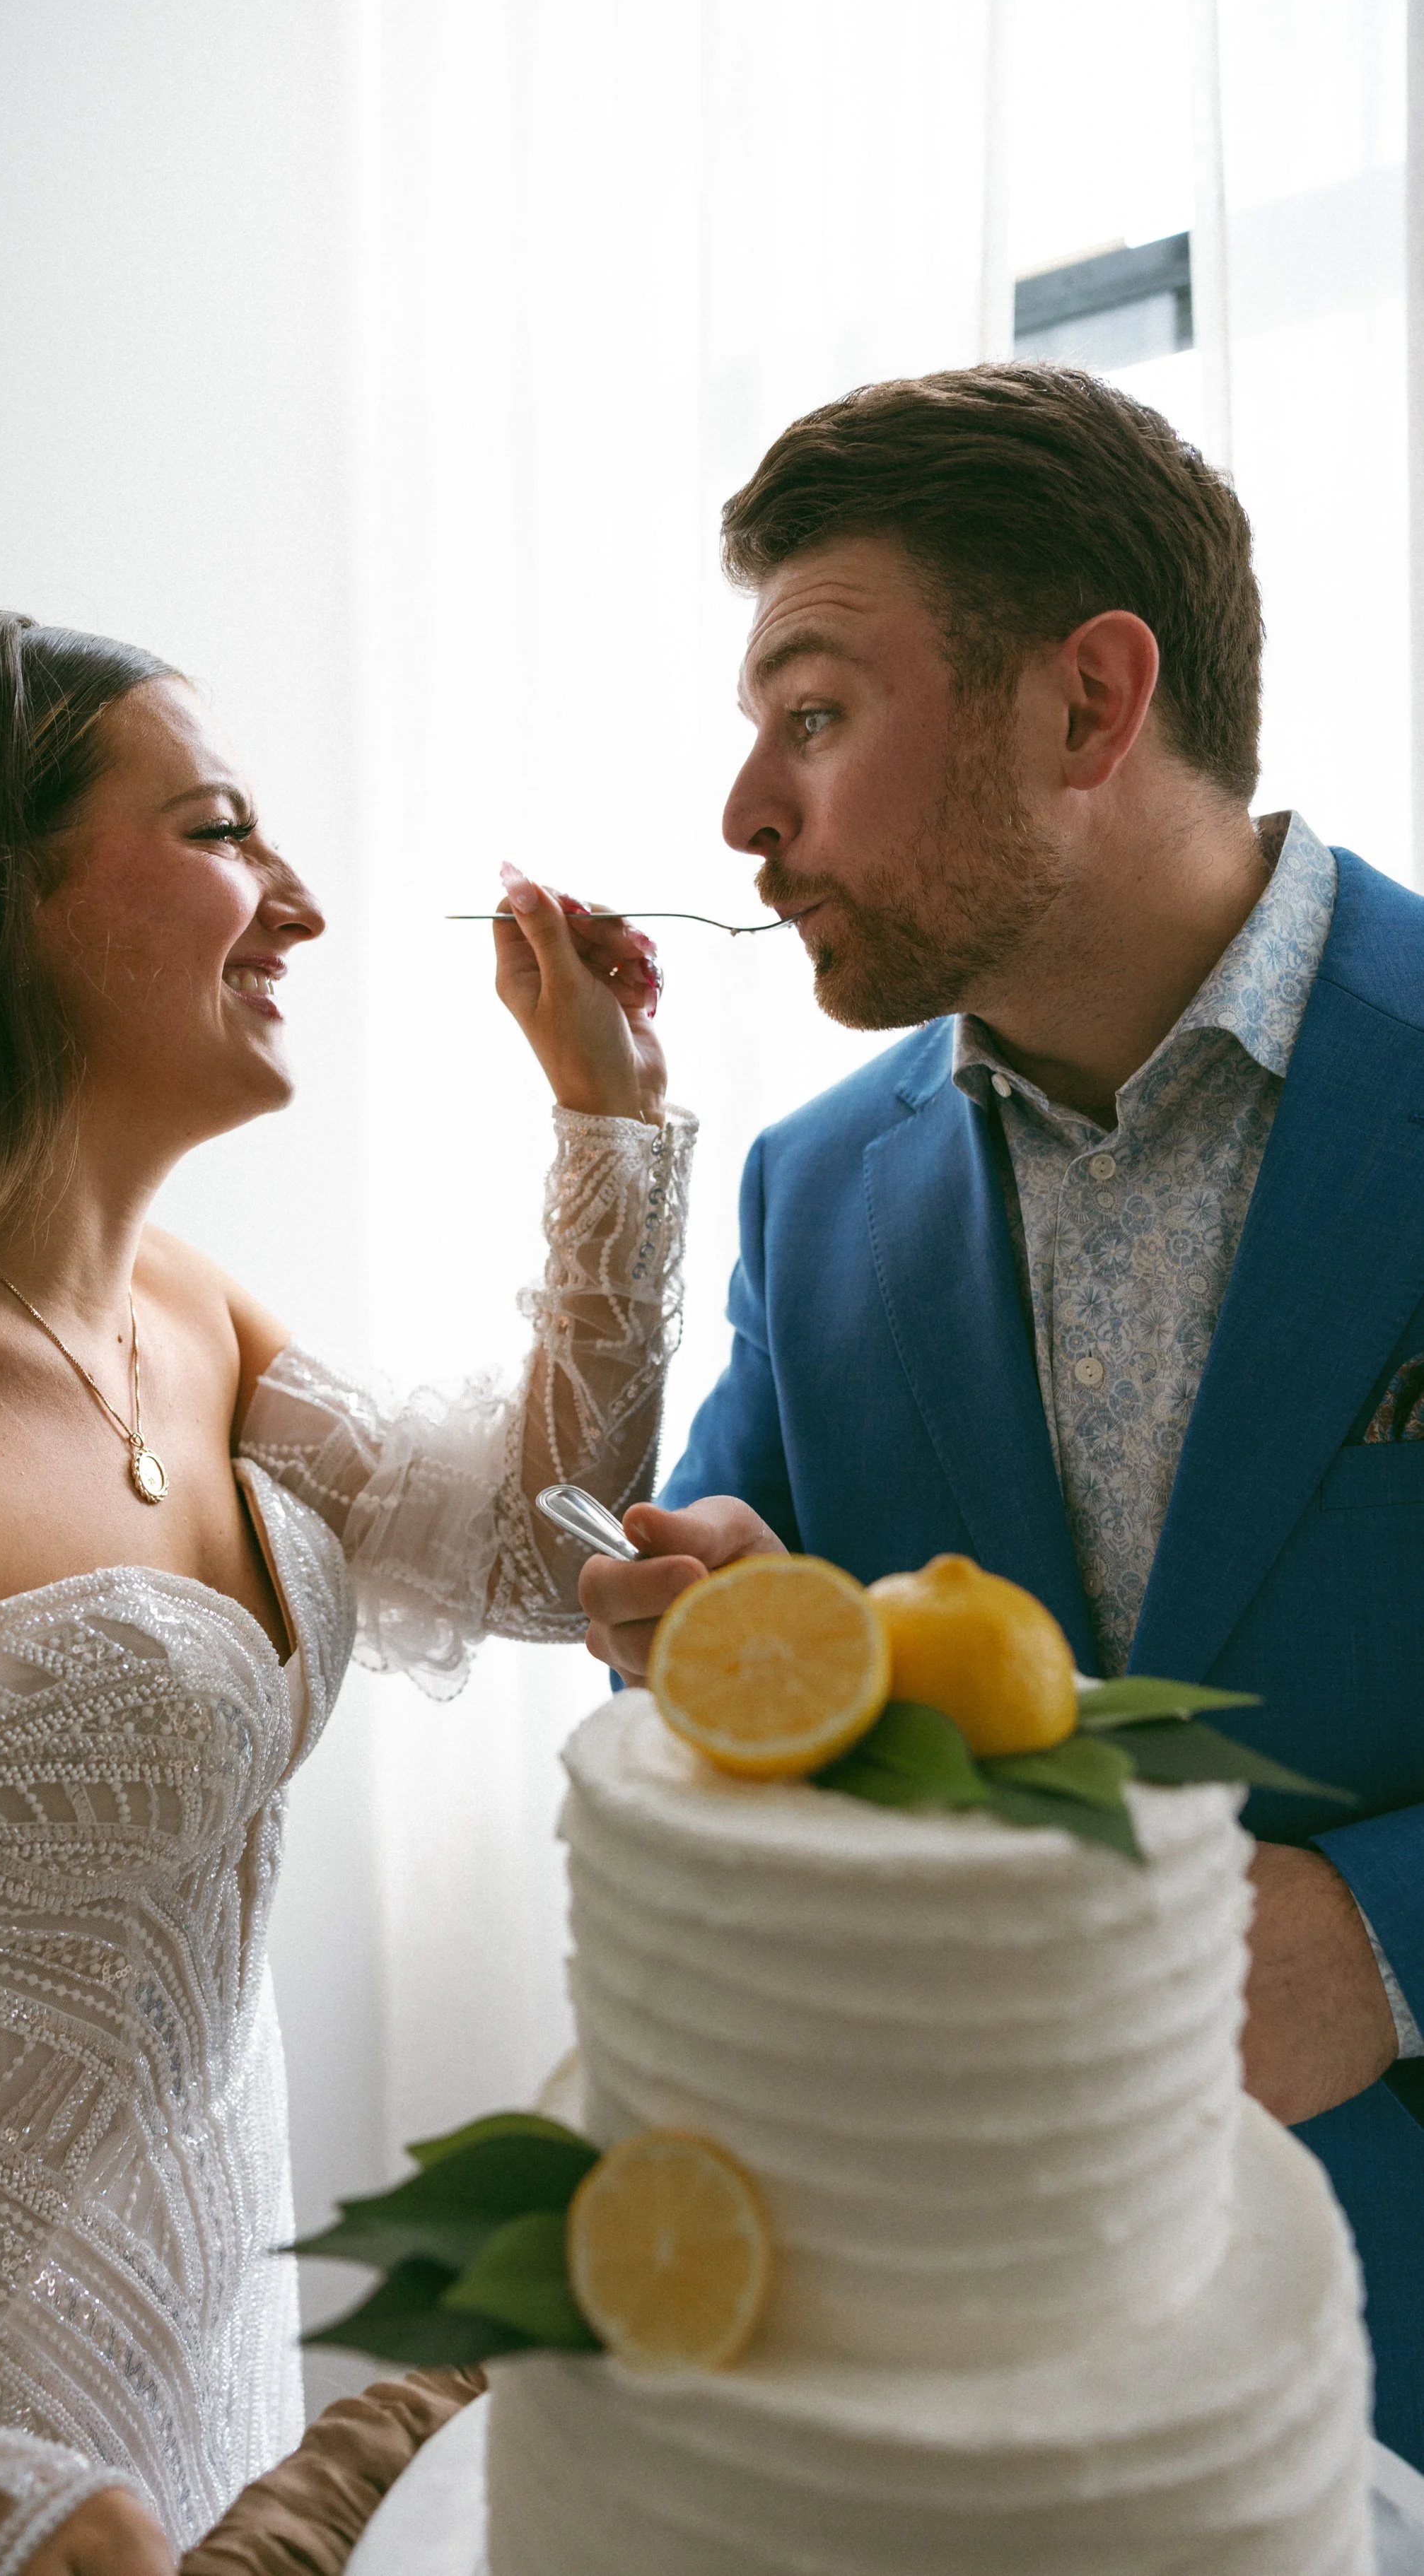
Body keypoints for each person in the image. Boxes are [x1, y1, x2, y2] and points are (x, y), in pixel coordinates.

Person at [0, 610, 694, 2575]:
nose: (294, 901)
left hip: (202, 2411)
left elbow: (534, 1537)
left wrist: (610, 1112)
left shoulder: (187, 1317)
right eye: (221, 829)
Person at [578, 363, 1424, 2466]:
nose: (741, 818)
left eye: (814, 712)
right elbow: (732, 1639)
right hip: (987, 2374)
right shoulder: (806, 1186)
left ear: (1087, 703)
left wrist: (1387, 1938)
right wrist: (717, 1622)